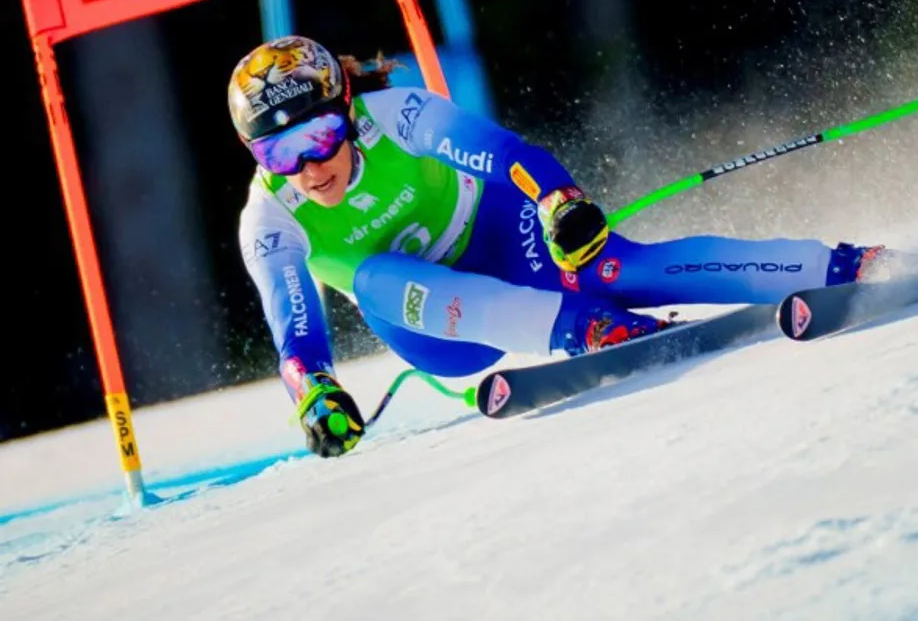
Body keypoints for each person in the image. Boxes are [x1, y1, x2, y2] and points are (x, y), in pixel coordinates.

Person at [230, 36, 883, 457]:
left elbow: (499, 154)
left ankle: (838, 265)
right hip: (438, 329)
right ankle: (588, 329)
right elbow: (296, 330)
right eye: (277, 153)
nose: (308, 168)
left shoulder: (397, 115)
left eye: (316, 137)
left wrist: (557, 201)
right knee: (373, 278)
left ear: (345, 110)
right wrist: (314, 393)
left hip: (497, 238)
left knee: (611, 264)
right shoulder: (269, 217)